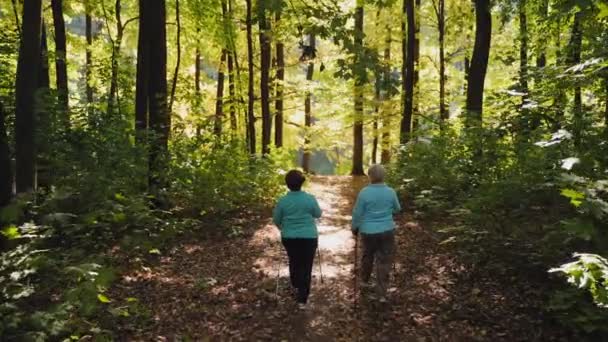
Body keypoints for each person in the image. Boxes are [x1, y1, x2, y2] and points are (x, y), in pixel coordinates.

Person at [272, 170, 322, 309]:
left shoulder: (283, 201)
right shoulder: (310, 198)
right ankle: (302, 298)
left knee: (294, 261)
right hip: (309, 237)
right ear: (302, 183)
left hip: (289, 237)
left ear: (287, 184)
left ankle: (295, 284)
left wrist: (283, 229)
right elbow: (318, 214)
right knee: (306, 266)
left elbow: (276, 219)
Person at [351, 164, 401, 301]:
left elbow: (357, 213)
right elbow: (397, 209)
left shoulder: (364, 192)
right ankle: (382, 294)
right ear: (383, 176)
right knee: (384, 260)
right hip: (387, 230)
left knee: (367, 255)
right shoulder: (390, 191)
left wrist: (354, 227)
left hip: (368, 231)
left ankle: (364, 281)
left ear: (370, 176)